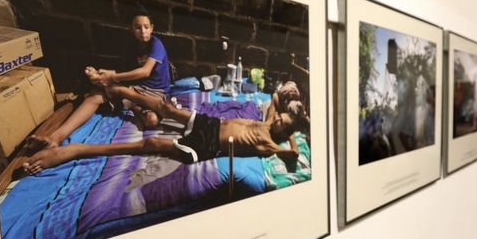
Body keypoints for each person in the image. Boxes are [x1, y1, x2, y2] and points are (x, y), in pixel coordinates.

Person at [23, 88, 308, 174]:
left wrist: (292, 132)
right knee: (166, 108)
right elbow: (273, 97)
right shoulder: (268, 121)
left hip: (208, 145)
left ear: (286, 130)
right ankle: (116, 88)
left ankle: (75, 150)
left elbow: (293, 157)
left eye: (284, 122)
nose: (279, 118)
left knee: (154, 143)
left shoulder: (270, 141)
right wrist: (290, 109)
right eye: (282, 117)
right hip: (211, 123)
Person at [23, 12, 169, 153]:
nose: (142, 31)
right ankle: (55, 138)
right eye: (137, 27)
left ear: (152, 28)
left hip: (154, 91)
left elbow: (145, 72)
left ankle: (133, 104)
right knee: (96, 96)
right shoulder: (131, 47)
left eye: (146, 27)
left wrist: (111, 77)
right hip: (135, 88)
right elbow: (126, 73)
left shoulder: (156, 44)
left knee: (151, 120)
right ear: (131, 29)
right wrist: (103, 74)